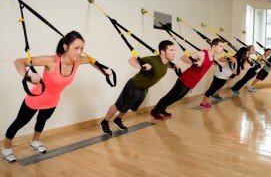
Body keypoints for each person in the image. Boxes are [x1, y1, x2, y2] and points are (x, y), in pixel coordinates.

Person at [1, 31, 113, 163]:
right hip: (36, 98)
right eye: (76, 48)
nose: (79, 52)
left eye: (82, 48)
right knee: (19, 123)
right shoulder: (51, 61)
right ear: (66, 47)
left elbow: (91, 60)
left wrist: (103, 71)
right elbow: (19, 61)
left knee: (41, 121)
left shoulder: (77, 61)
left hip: (53, 100)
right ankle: (6, 148)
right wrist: (28, 76)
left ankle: (34, 142)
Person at [100, 40, 176, 135]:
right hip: (134, 85)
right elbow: (131, 60)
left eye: (174, 50)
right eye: (171, 50)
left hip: (143, 89)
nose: (174, 53)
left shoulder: (166, 64)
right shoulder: (152, 60)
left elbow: (162, 66)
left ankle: (118, 120)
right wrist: (141, 66)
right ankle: (105, 122)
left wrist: (173, 67)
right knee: (119, 105)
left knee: (128, 105)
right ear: (163, 52)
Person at [150, 38, 225, 120]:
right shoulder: (202, 54)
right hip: (185, 79)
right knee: (171, 96)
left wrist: (216, 64)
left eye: (223, 47)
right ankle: (155, 111)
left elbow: (208, 61)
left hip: (192, 82)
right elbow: (183, 57)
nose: (222, 49)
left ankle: (162, 109)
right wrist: (195, 63)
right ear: (214, 46)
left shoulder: (212, 56)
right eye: (220, 46)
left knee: (177, 97)